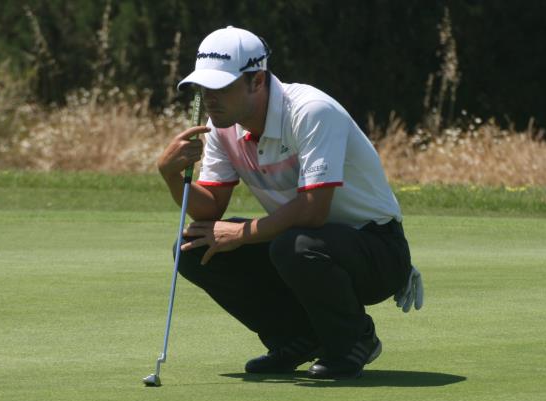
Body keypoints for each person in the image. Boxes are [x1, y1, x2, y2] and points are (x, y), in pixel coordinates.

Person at [157, 26, 423, 378]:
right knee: (194, 246)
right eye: (204, 88)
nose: (209, 98)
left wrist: (241, 234)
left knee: (294, 245)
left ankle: (353, 339)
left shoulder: (311, 111)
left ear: (256, 80)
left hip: (376, 250)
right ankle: (296, 337)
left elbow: (313, 210)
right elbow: (210, 209)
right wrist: (170, 175)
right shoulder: (223, 126)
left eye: (221, 87)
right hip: (305, 243)